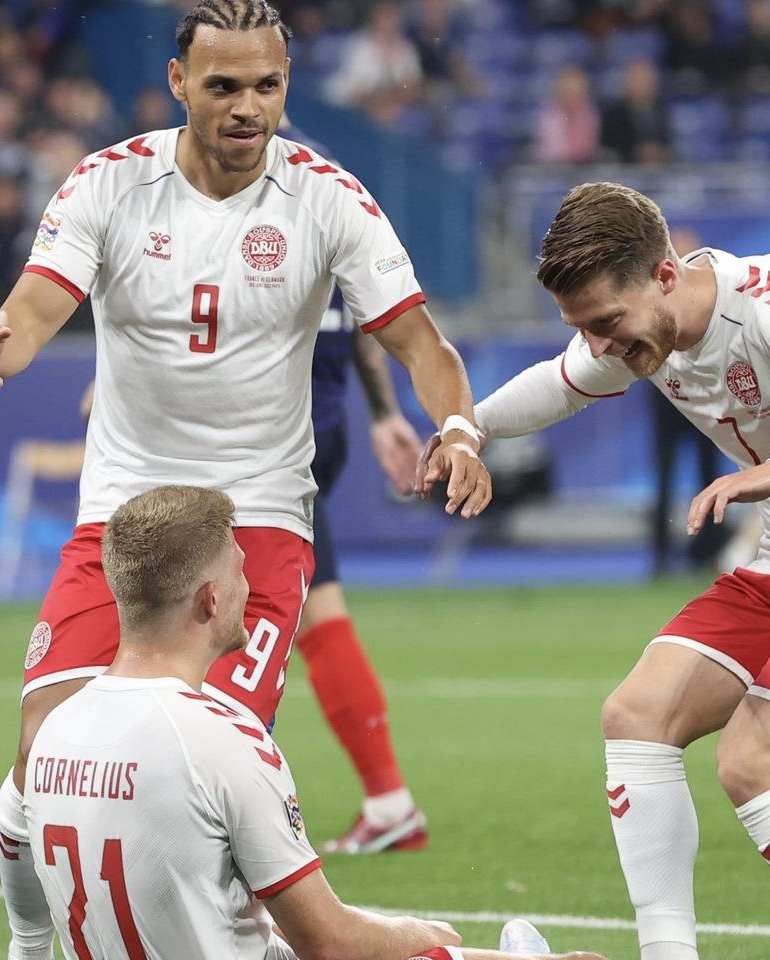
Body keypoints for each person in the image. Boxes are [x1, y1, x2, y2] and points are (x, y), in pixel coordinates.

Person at [0, 5, 491, 960]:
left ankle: (268, 942)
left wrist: (458, 427)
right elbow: (37, 305)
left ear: (287, 81)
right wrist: (4, 339)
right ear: (177, 84)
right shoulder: (110, 183)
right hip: (125, 511)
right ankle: (32, 946)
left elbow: (419, 341)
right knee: (42, 754)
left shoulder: (328, 197)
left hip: (258, 519)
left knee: (211, 756)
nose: (249, 108)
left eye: (268, 87)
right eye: (224, 87)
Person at [424, 182, 770, 960]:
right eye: (582, 329)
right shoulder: (637, 332)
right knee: (636, 715)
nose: (599, 348)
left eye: (605, 325)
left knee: (753, 764)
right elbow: (558, 386)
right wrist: (467, 430)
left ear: (664, 274)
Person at [25, 484, 602, 960]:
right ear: (209, 601)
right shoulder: (222, 738)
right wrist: (423, 935)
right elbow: (329, 943)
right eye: (240, 575)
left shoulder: (53, 731)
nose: (251, 590)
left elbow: (12, 834)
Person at [281, 116, 428, 854]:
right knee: (314, 609)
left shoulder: (237, 176)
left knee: (205, 624)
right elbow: (363, 309)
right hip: (320, 423)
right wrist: (383, 414)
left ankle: (231, 826)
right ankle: (389, 800)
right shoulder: (329, 177)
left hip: (266, 436)